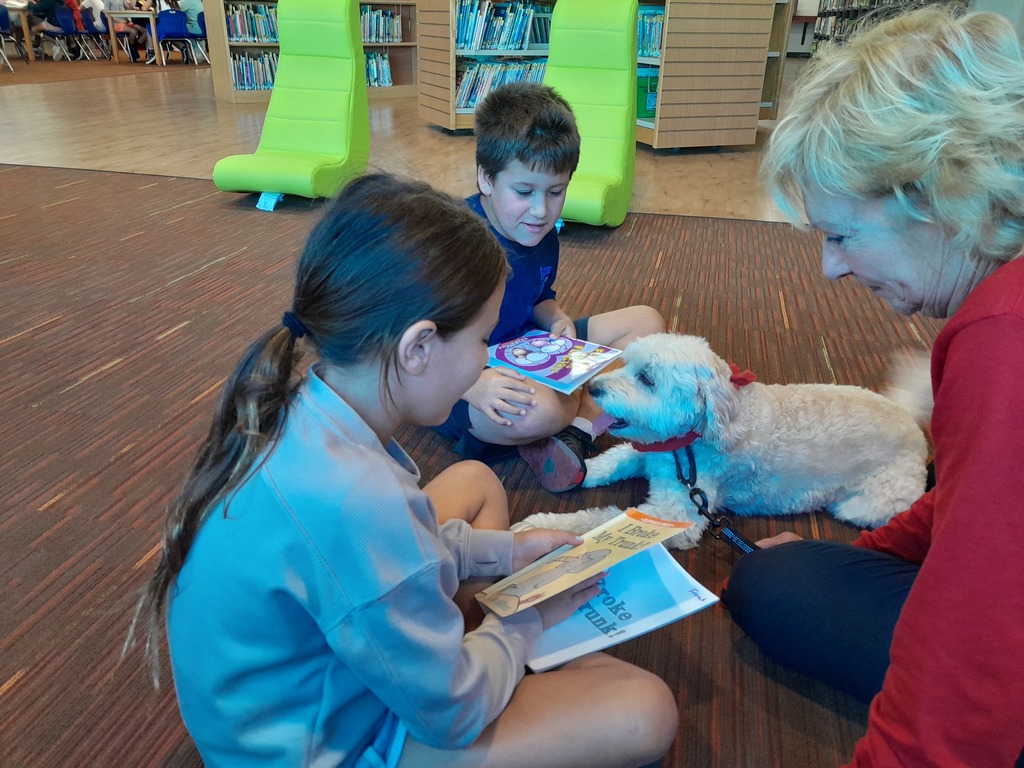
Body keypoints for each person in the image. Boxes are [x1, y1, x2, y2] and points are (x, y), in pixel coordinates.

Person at [125, 174, 678, 768]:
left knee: (474, 483)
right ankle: (472, 650)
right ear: (417, 347)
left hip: (284, 694)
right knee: (643, 708)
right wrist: (528, 622)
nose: (489, 359)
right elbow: (454, 710)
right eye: (485, 341)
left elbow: (373, 554)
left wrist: (503, 556)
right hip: (325, 744)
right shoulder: (357, 499)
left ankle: (458, 645)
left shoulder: (304, 401)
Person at [721, 6, 1024, 767]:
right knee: (783, 573)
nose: (830, 269)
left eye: (842, 235)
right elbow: (979, 511)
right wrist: (879, 554)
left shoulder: (1002, 337)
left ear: (940, 196)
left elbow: (975, 638)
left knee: (773, 586)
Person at [438, 82, 666, 493]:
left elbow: (539, 294)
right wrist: (472, 384)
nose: (541, 211)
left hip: (530, 348)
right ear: (485, 178)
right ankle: (571, 420)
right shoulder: (454, 243)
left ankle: (576, 433)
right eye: (524, 192)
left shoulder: (540, 233)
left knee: (647, 324)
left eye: (556, 192)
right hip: (465, 379)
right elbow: (415, 341)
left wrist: (556, 317)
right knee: (541, 411)